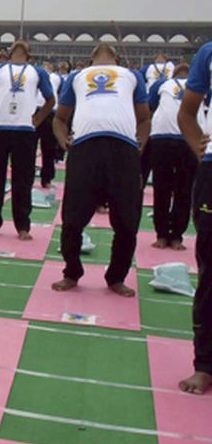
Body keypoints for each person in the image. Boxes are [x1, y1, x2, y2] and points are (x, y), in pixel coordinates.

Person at [51, 43, 150, 297]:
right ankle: (72, 271)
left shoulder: (132, 76)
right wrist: (63, 141)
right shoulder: (77, 76)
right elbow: (59, 118)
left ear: (117, 59)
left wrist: (140, 144)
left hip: (123, 149)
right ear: (91, 59)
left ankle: (116, 277)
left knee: (127, 220)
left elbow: (144, 118)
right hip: (85, 148)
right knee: (72, 217)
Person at [0, 40, 55, 240]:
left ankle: (23, 225)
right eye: (15, 45)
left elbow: (51, 100)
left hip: (24, 130)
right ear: (9, 52)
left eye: (24, 45)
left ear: (30, 54)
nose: (19, 45)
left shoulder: (38, 72)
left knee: (23, 180)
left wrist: (38, 119)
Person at [176, 40, 212, 395]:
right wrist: (202, 150)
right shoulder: (209, 54)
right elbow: (186, 113)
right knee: (210, 273)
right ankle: (205, 365)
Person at [148, 64, 194, 250]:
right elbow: (150, 105)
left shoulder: (162, 84)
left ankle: (169, 235)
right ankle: (169, 235)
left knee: (168, 188)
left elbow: (151, 106)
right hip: (175, 138)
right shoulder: (161, 84)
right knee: (180, 189)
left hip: (172, 138)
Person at [35, 62, 62, 188]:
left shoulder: (57, 77)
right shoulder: (34, 75)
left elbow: (60, 93)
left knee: (49, 148)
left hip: (50, 111)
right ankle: (28, 177)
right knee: (29, 147)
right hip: (35, 109)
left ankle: (47, 178)